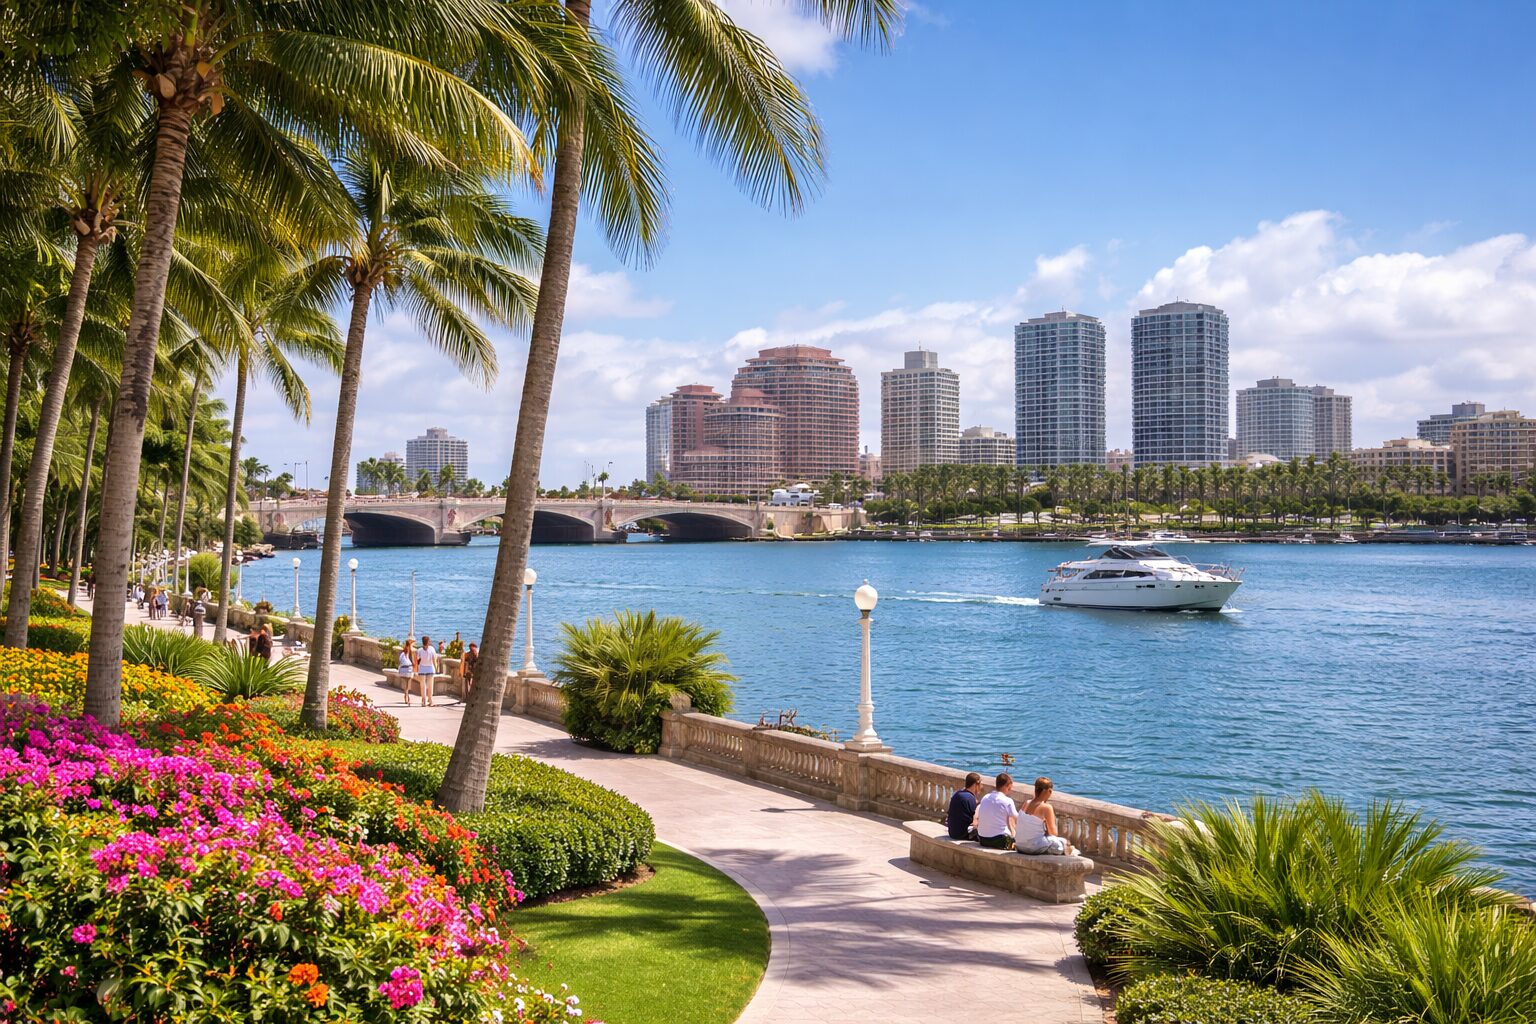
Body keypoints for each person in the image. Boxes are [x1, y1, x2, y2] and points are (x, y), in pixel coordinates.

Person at [1018, 776, 1075, 856]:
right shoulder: (1046, 807)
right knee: (1065, 843)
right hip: (1032, 847)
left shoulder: (1026, 803)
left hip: (1020, 845)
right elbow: (1053, 833)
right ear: (1049, 791)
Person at [974, 772, 1019, 850]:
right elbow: (1018, 819)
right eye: (1009, 788)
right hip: (1000, 841)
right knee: (1011, 817)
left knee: (1007, 814)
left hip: (982, 839)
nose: (1010, 790)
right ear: (1006, 786)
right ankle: (1014, 837)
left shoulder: (985, 797)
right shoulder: (1008, 801)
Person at [946, 772, 983, 841]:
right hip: (962, 834)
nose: (981, 787)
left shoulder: (958, 793)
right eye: (980, 784)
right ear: (975, 785)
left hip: (952, 832)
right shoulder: (969, 798)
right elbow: (976, 818)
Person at [417, 635, 438, 707]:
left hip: (422, 669)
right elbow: (434, 660)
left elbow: (417, 661)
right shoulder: (432, 649)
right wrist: (436, 668)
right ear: (428, 642)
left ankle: (423, 700)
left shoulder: (419, 650)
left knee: (422, 686)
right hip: (430, 669)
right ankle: (430, 700)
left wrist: (416, 669)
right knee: (430, 686)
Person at [398, 640, 416, 706]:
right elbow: (413, 663)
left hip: (403, 670)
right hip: (409, 670)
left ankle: (406, 696)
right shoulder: (410, 652)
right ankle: (407, 697)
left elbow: (399, 662)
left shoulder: (402, 653)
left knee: (405, 685)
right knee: (408, 685)